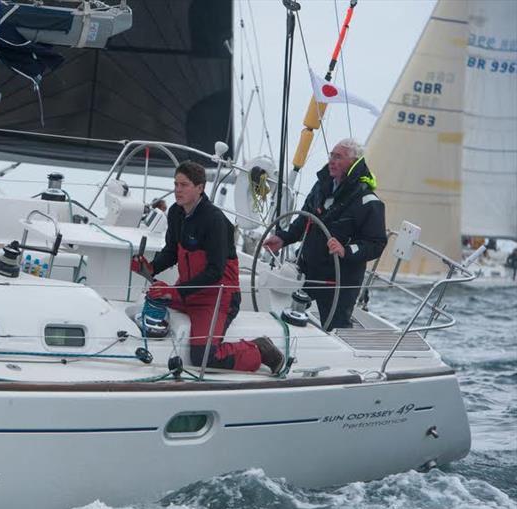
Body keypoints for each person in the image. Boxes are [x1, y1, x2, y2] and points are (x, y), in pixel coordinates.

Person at [131, 161, 284, 374]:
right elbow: (171, 251)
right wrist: (150, 267)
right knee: (148, 299)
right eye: (175, 184)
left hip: (217, 298)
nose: (177, 190)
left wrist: (175, 291)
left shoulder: (214, 220)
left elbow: (215, 271)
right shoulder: (175, 212)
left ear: (200, 188)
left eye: (184, 185)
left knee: (203, 357)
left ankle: (260, 348)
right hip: (187, 291)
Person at [263, 138, 387, 330]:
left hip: (339, 280)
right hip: (309, 271)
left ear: (353, 162)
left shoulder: (368, 201)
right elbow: (305, 220)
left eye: (339, 157)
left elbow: (377, 243)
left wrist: (346, 250)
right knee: (290, 318)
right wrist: (283, 238)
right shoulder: (321, 187)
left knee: (335, 329)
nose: (332, 160)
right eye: (331, 155)